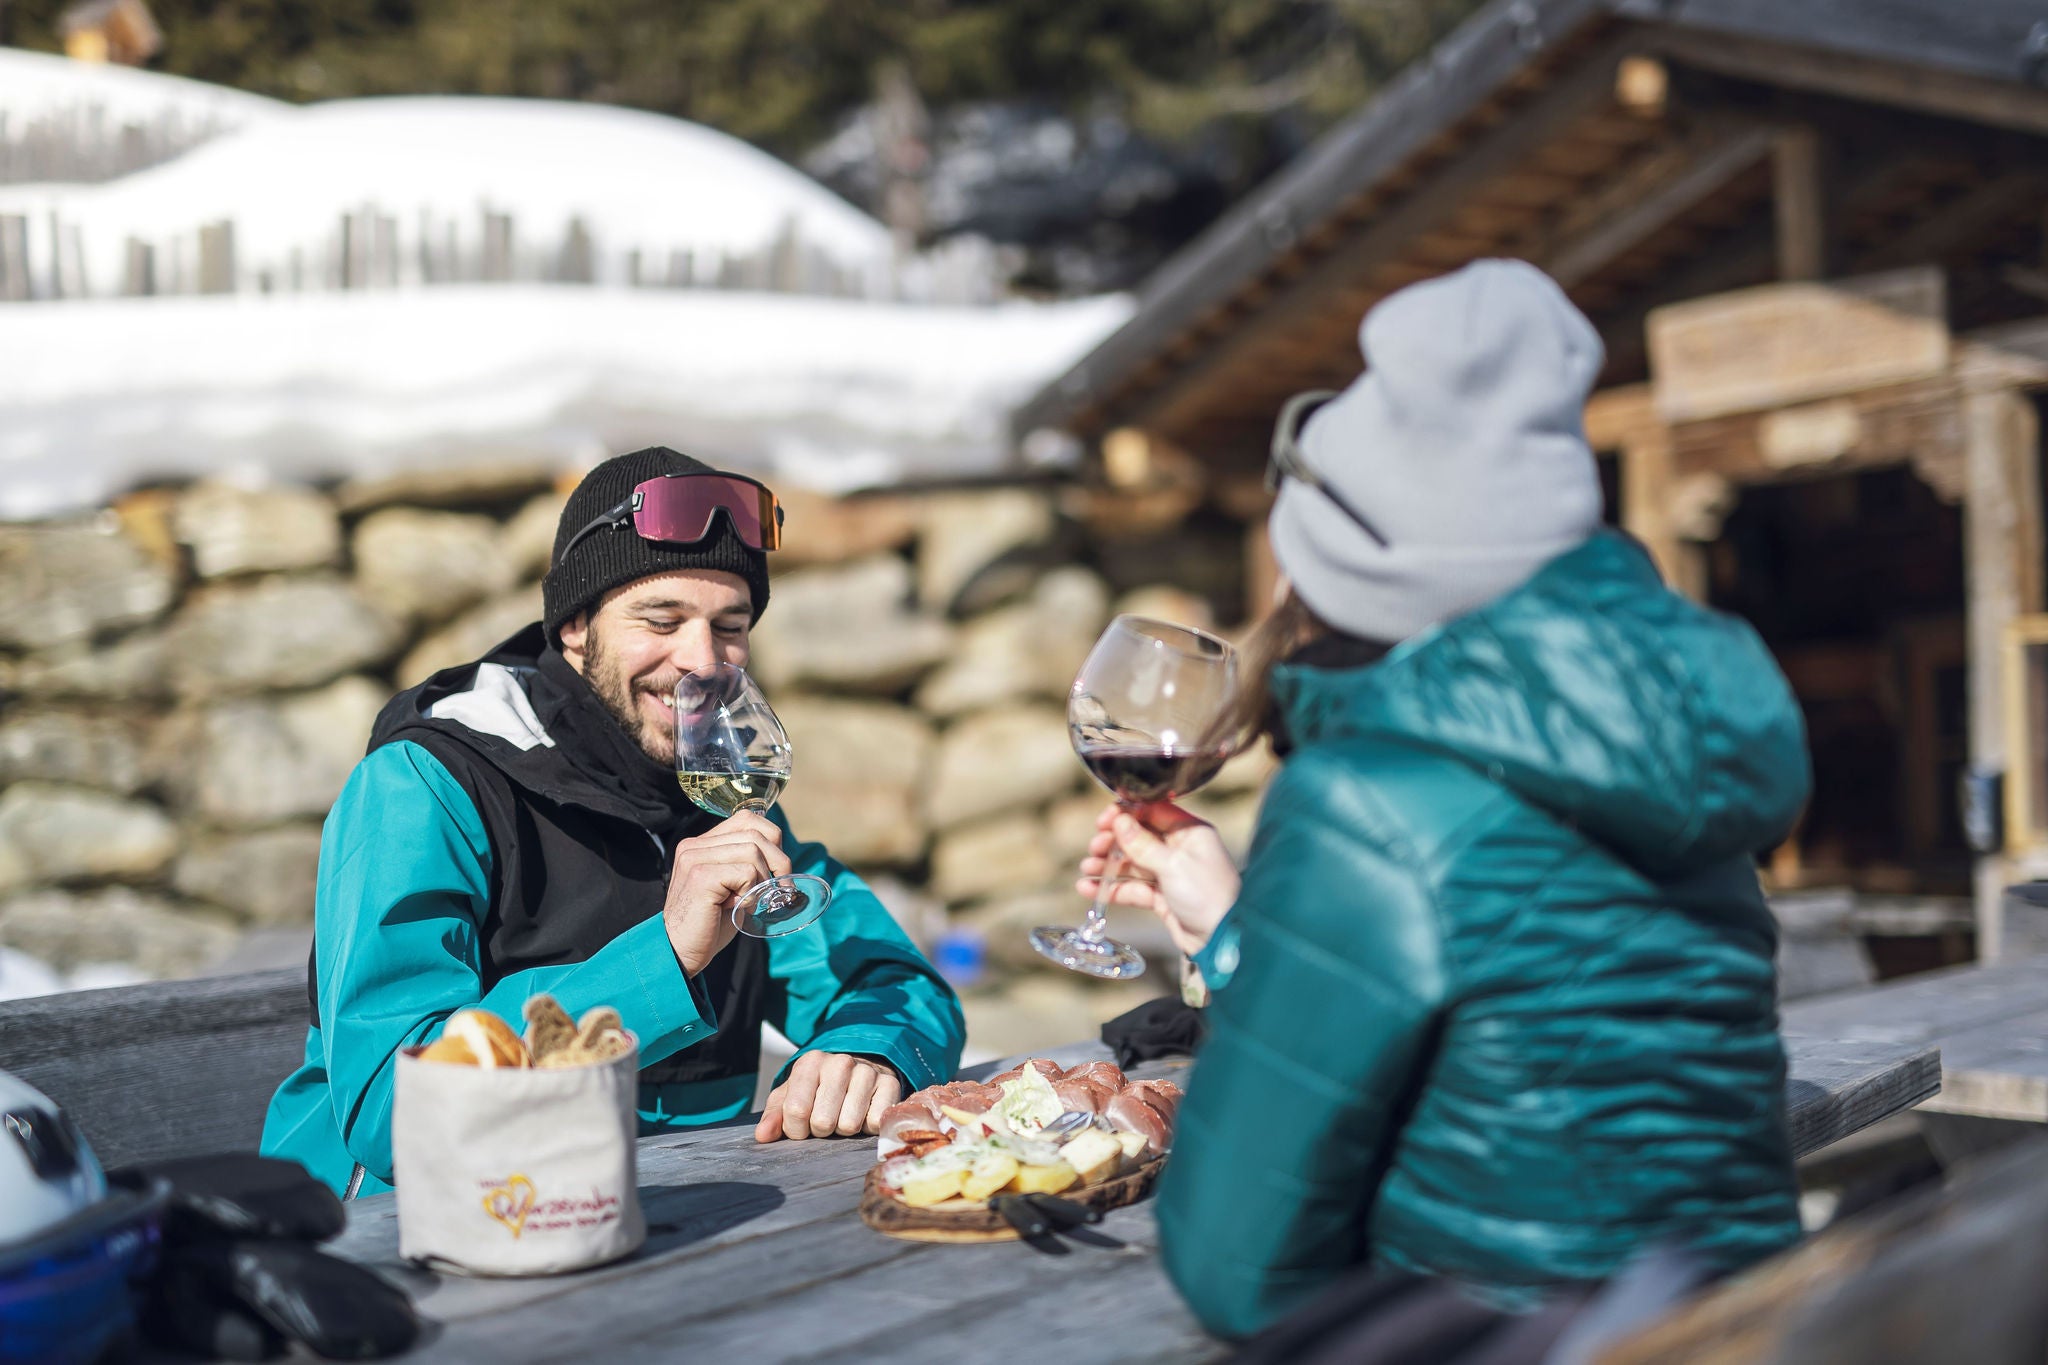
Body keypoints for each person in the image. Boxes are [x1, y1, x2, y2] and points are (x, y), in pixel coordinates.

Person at [1078, 260, 1809, 1337]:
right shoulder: (1656, 752)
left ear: (1342, 569)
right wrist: (1240, 935)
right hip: (1746, 1329)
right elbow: (1523, 1041)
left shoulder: (1363, 805)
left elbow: (1235, 1270)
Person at [262, 447, 965, 1198]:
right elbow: (395, 1110)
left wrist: (868, 1050)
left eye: (730, 625)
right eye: (661, 618)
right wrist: (664, 957)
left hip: (671, 1222)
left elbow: (889, 975)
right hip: (401, 1241)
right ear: (574, 625)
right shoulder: (425, 787)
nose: (703, 660)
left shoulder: (719, 789)